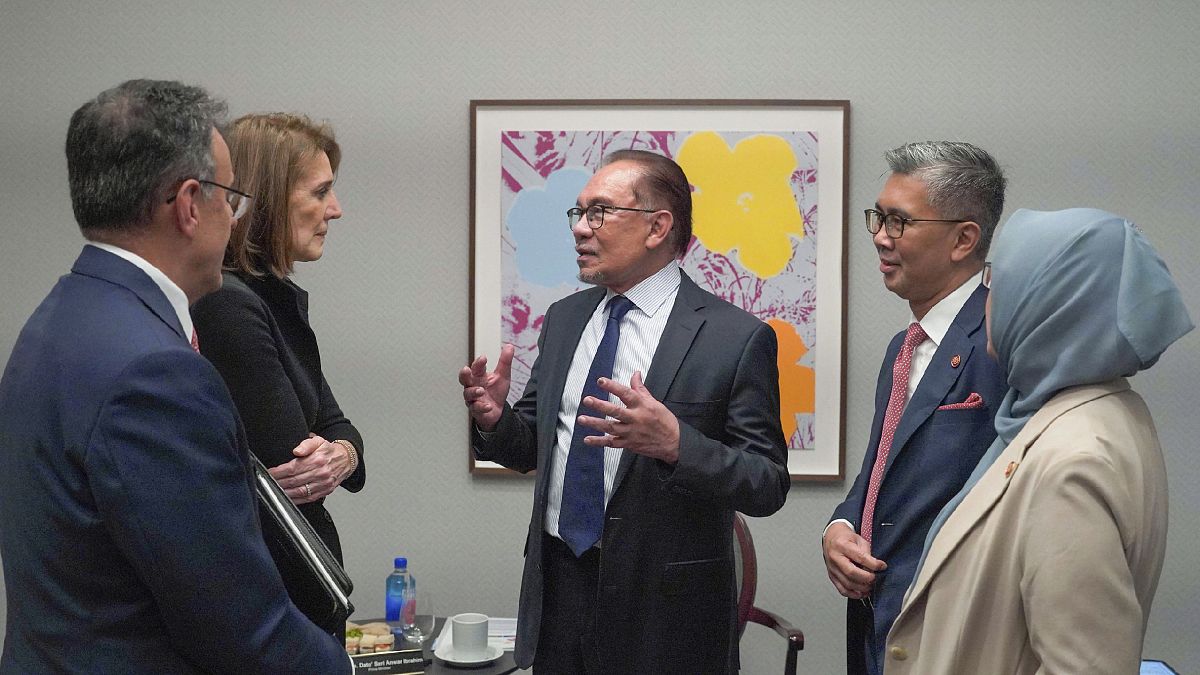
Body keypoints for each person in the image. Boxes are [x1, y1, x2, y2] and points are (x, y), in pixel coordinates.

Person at [0, 80, 350, 673]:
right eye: (230, 199)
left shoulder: (56, 322)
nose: (234, 219)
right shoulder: (157, 373)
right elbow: (239, 623)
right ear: (191, 204)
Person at [458, 149, 790, 673]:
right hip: (559, 591)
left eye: (599, 213)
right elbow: (530, 448)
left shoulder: (736, 338)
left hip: (668, 615)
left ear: (657, 226)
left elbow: (767, 482)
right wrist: (496, 419)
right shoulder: (565, 319)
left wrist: (678, 444)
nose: (580, 229)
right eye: (578, 213)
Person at [884, 208, 1192, 674]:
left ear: (1048, 303)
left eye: (997, 282)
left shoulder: (1074, 460)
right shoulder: (1093, 409)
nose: (986, 299)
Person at [822, 141, 1009, 675]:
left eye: (899, 221)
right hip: (880, 624)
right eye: (878, 218)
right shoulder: (903, 348)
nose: (881, 236)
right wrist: (839, 526)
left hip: (956, 632)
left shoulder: (1002, 339)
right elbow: (884, 472)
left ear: (963, 238)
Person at [191, 113, 364, 639]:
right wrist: (333, 451)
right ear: (264, 200)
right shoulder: (228, 304)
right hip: (270, 602)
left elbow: (339, 430)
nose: (335, 210)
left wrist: (345, 453)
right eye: (320, 192)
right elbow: (295, 463)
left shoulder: (271, 299)